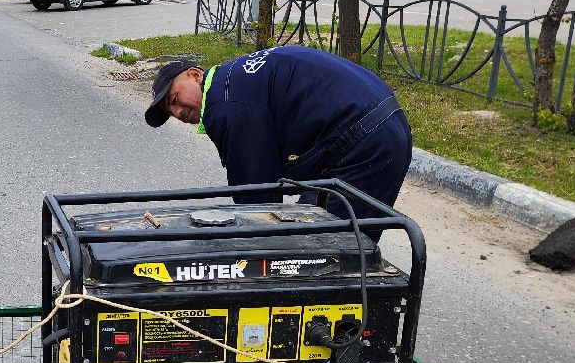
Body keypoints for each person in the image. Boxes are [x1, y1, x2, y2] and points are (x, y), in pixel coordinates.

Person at [144, 45, 412, 227]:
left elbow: (256, 194)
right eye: (171, 111)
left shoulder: (224, 104)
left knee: (322, 248)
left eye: (175, 99)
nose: (178, 112)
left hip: (364, 141)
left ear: (194, 75)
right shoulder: (233, 81)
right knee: (326, 236)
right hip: (380, 124)